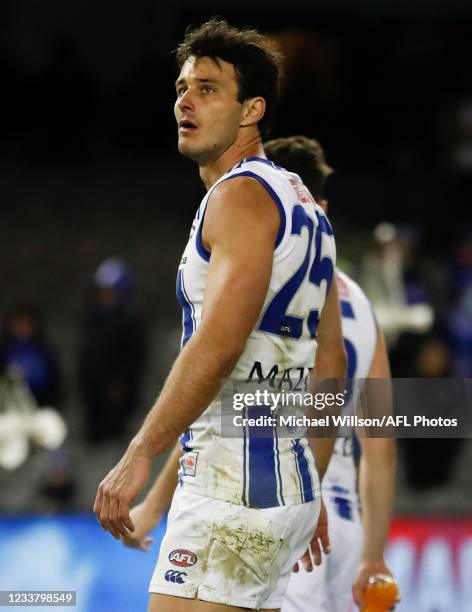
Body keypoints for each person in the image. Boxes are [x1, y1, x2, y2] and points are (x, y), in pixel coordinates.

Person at [94, 20, 346, 612]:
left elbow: (219, 345)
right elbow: (329, 362)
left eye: (208, 88)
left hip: (231, 489)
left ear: (252, 109)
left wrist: (139, 454)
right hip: (278, 485)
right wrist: (307, 481)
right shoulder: (304, 204)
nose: (186, 99)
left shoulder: (240, 196)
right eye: (183, 87)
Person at [264, 136, 396, 611]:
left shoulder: (268, 289)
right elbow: (380, 446)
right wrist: (374, 557)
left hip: (286, 512)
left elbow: (224, 407)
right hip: (345, 526)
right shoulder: (361, 304)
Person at [78, 257, 147, 443]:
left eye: (111, 293)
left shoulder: (132, 324)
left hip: (120, 391)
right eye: (102, 293)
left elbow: (135, 359)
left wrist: (121, 383)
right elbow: (86, 357)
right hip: (93, 392)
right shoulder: (92, 319)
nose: (106, 298)